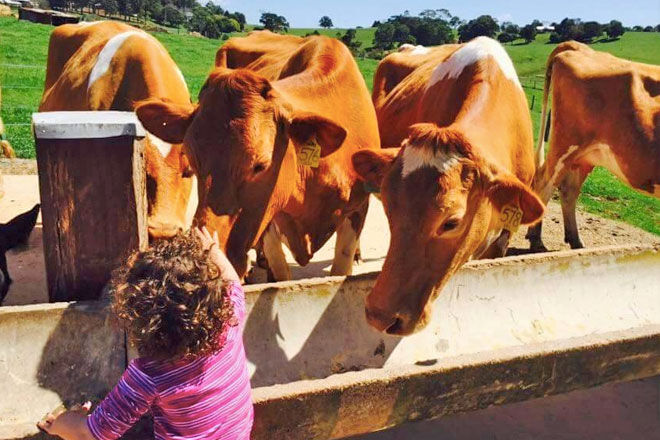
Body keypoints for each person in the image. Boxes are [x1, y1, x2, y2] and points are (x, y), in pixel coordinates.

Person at [37, 228, 254, 440]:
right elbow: (233, 281)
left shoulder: (149, 375)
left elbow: (89, 434)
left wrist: (61, 424)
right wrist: (213, 250)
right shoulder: (230, 321)